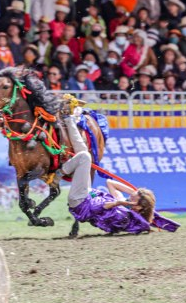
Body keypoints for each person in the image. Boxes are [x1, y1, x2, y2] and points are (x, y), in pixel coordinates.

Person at [57, 98, 177, 235]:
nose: (130, 196)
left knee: (85, 157)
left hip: (80, 202)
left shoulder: (125, 216)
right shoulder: (123, 202)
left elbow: (101, 208)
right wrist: (134, 192)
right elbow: (110, 183)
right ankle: (69, 119)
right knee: (84, 151)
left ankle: (58, 174)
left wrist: (118, 204)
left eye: (134, 197)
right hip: (86, 195)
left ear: (138, 207)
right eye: (132, 195)